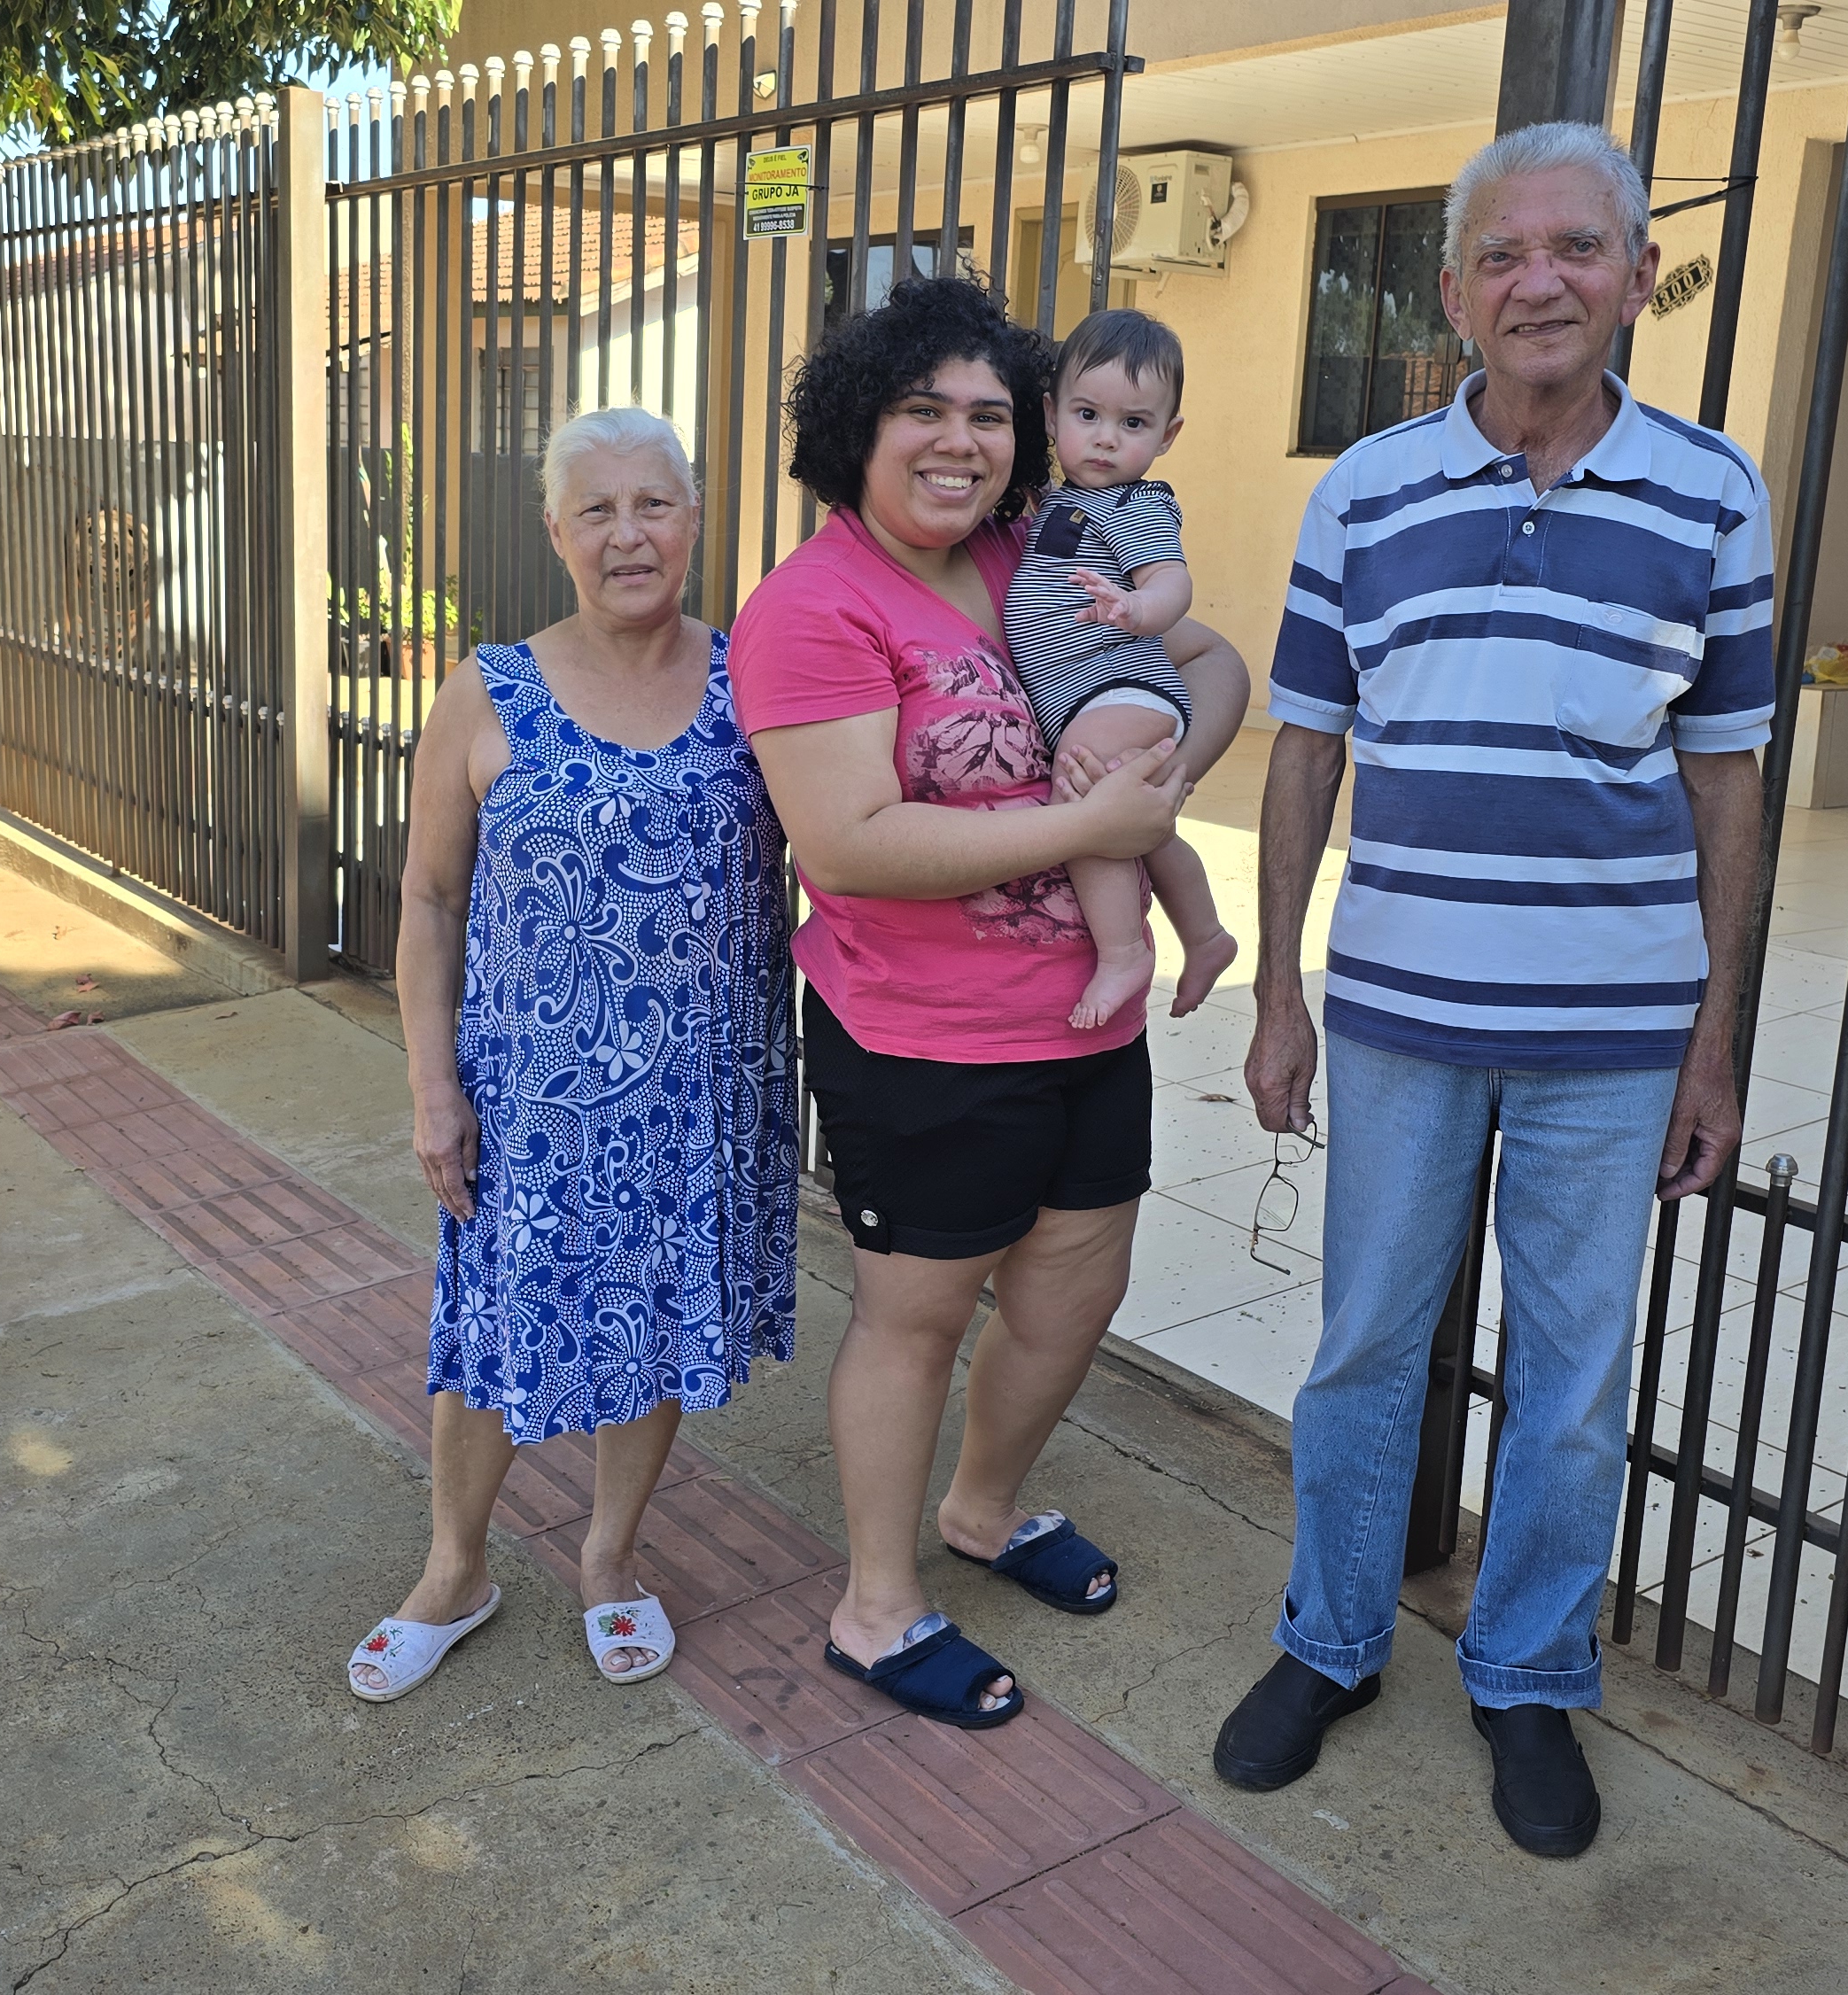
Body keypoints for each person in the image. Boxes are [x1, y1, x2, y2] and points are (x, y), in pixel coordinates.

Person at [1207, 121, 1774, 1859]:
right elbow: (1304, 748)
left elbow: (1727, 781)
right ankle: (1330, 1637)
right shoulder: (1366, 491)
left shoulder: (1710, 493)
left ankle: (1527, 1673)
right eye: (1503, 254)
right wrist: (1282, 993)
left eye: (1577, 247)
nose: (1540, 282)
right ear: (1451, 291)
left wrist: (1713, 1045)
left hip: (1613, 1028)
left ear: (1636, 277)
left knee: (1574, 1373)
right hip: (1398, 1011)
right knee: (1367, 1340)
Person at [731, 272, 1249, 1728]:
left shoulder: (1040, 549)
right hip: (924, 1040)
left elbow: (1214, 663)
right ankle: (877, 1606)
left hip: (1086, 1021)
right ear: (859, 426)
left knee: (1075, 1288)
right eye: (924, 410)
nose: (960, 440)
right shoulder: (814, 606)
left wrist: (1162, 774)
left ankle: (984, 1505)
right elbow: (848, 844)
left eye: (987, 413)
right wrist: (1088, 826)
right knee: (917, 1318)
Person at [347, 408, 796, 1703]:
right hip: (531, 1104)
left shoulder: (755, 680)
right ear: (555, 531)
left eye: (652, 503)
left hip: (699, 1097)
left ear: (694, 517)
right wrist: (432, 1086)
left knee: (652, 1324)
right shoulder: (486, 690)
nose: (627, 535)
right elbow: (430, 900)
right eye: (596, 510)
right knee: (496, 1331)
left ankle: (611, 1554)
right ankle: (455, 1569)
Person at [998, 307, 1238, 1029]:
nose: (1106, 437)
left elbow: (1172, 581)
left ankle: (1124, 950)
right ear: (1051, 415)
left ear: (1167, 436)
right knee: (1142, 828)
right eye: (1088, 415)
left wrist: (1138, 609)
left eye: (1133, 423)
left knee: (1083, 808)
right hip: (1096, 693)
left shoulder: (1134, 504)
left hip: (1119, 687)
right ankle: (1206, 934)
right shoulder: (1067, 503)